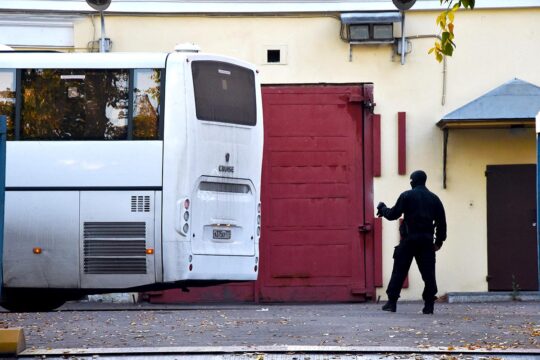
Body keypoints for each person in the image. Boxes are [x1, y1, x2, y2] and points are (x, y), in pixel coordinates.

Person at [376, 170, 446, 314]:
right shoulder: (435, 199)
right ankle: (429, 305)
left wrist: (382, 209)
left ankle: (391, 303)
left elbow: (393, 214)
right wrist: (438, 242)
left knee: (399, 271)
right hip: (427, 242)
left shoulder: (407, 195)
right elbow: (441, 223)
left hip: (409, 241)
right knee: (429, 274)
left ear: (413, 181)